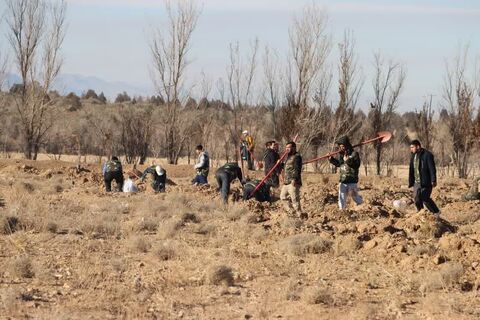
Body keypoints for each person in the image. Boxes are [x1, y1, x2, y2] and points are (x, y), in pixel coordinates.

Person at [329, 136, 363, 210]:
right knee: (341, 197)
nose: (342, 148)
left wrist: (348, 161)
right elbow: (339, 164)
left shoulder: (354, 154)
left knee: (355, 197)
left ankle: (363, 206)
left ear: (347, 145)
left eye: (343, 146)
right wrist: (331, 159)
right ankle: (342, 210)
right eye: (340, 147)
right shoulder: (341, 155)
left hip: (352, 181)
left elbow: (357, 165)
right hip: (343, 181)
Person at [408, 139, 440, 215]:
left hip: (426, 182)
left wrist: (433, 180)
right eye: (410, 147)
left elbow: (432, 169)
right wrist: (411, 181)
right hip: (417, 182)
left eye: (412, 147)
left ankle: (436, 212)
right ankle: (421, 213)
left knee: (425, 198)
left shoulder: (427, 155)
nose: (411, 149)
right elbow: (412, 169)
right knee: (416, 199)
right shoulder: (413, 156)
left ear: (418, 146)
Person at [280, 142, 306, 218]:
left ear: (294, 148)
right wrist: (280, 164)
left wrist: (294, 179)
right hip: (286, 182)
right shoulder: (288, 157)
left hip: (293, 182)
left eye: (289, 147)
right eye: (286, 147)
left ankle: (300, 216)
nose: (287, 149)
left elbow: (297, 169)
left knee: (295, 200)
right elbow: (287, 168)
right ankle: (292, 212)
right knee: (282, 197)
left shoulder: (297, 157)